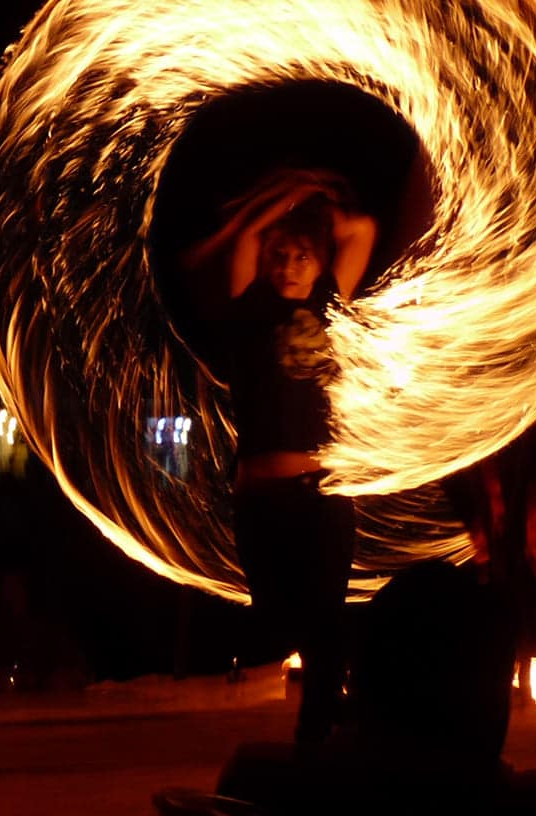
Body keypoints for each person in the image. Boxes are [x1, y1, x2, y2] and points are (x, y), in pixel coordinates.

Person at [186, 167, 378, 748]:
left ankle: (316, 739)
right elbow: (246, 242)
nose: (291, 266)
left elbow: (362, 231)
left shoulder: (330, 302)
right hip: (261, 500)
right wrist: (291, 197)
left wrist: (322, 202)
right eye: (283, 256)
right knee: (278, 619)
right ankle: (329, 718)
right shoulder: (250, 309)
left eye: (303, 257)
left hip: (320, 497)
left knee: (325, 627)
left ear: (320, 264)